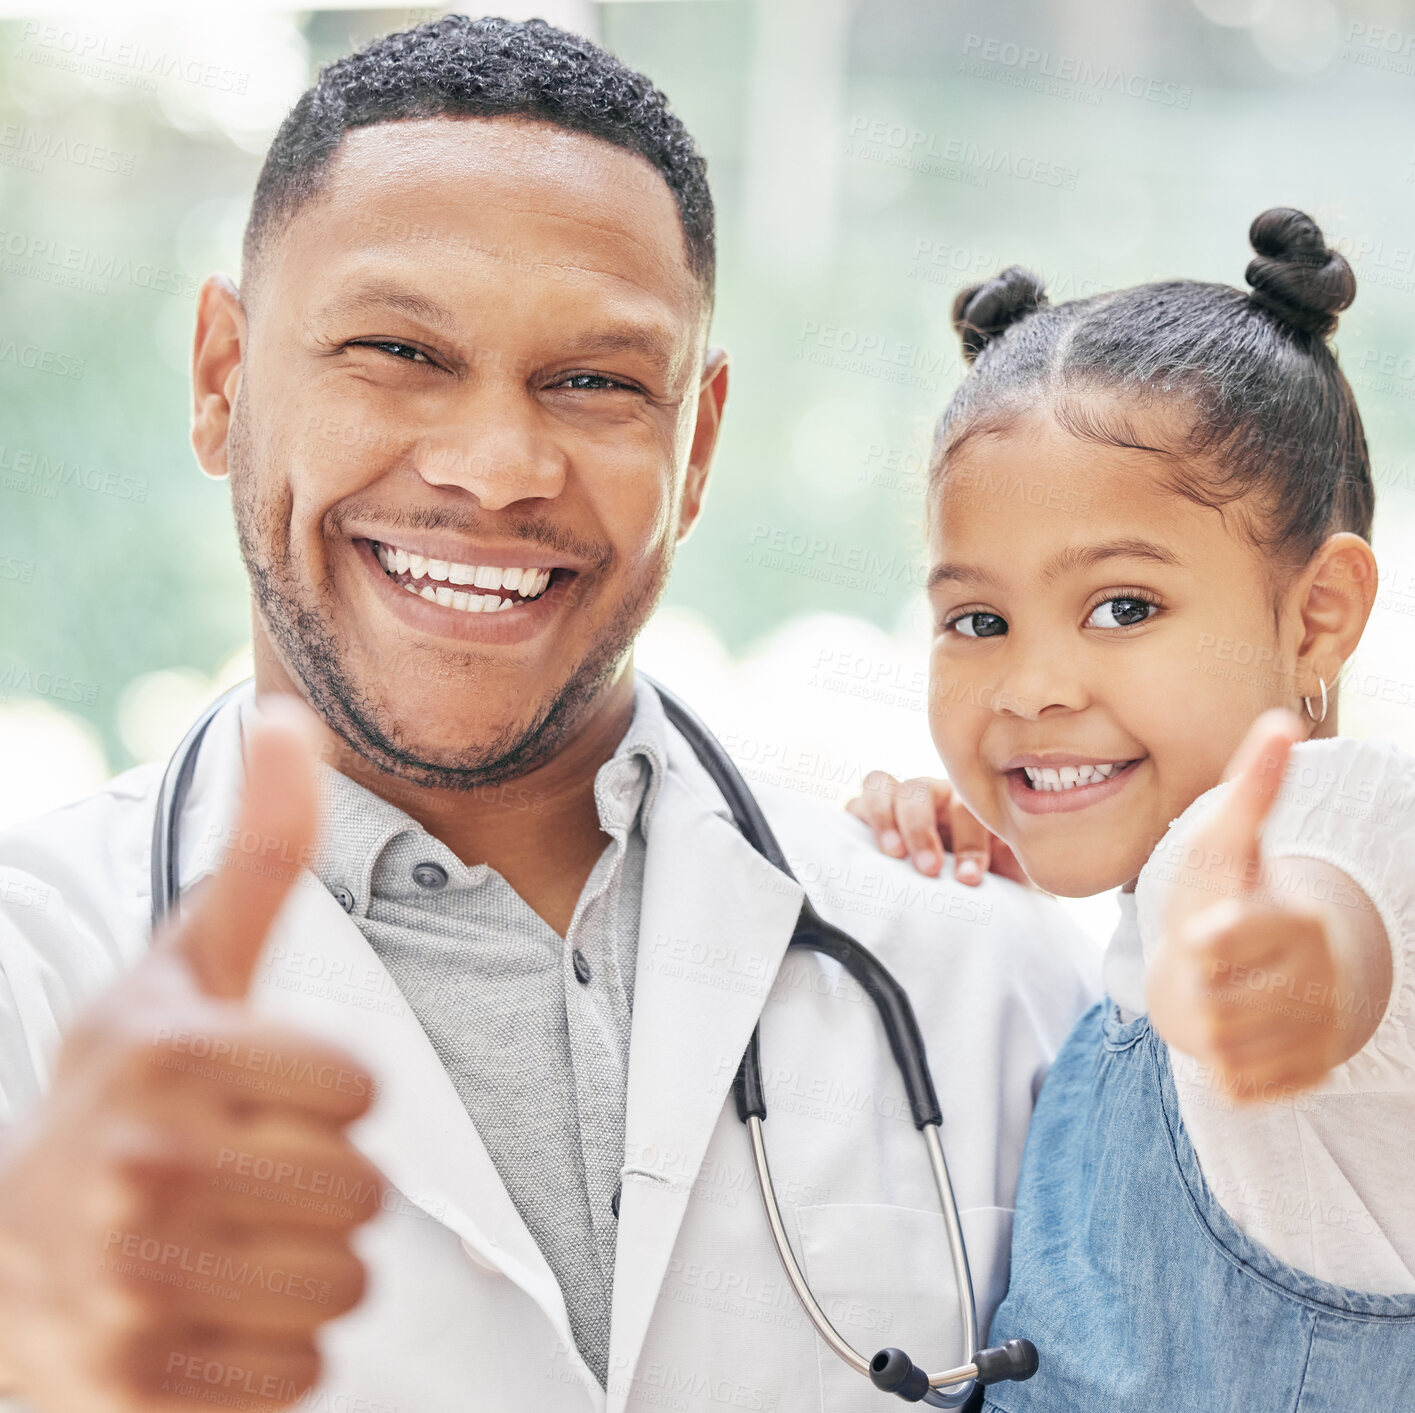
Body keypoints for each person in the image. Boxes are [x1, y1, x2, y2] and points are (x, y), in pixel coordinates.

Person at [0, 16, 1100, 1413]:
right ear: (223, 380)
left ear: (694, 446)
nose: (495, 468)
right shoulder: (36, 985)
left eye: (591, 381)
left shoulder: (971, 970)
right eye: (396, 349)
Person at [847, 208, 1415, 1408]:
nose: (1032, 688)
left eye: (1120, 607)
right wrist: (998, 860)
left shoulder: (1332, 826)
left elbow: (1334, 938)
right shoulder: (1152, 901)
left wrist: (1271, 979)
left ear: (1315, 615)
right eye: (978, 622)